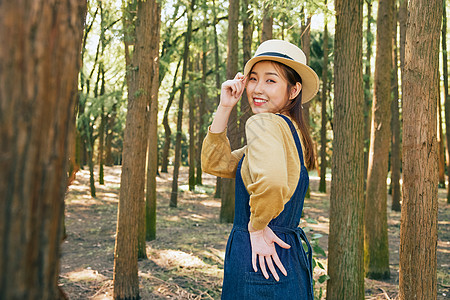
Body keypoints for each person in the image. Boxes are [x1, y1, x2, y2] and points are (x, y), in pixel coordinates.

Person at [201, 39, 320, 299]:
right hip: (286, 256)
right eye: (253, 79)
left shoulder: (264, 123)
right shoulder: (291, 131)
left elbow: (273, 182)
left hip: (259, 256)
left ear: (293, 90)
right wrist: (225, 107)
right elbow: (216, 163)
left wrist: (256, 227)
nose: (257, 88)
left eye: (270, 80)